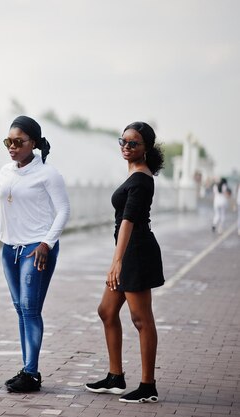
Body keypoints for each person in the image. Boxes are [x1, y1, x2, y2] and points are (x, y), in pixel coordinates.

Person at [0, 116, 70, 393]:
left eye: (19, 142)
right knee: (20, 309)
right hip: (10, 249)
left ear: (34, 144)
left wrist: (46, 243)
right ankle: (27, 369)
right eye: (9, 141)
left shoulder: (48, 174)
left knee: (30, 309)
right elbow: (0, 208)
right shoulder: (6, 171)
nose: (12, 146)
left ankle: (31, 373)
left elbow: (64, 211)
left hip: (36, 249)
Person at [84, 121, 165, 403]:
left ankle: (148, 385)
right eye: (123, 141)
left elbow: (129, 220)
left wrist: (116, 261)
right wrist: (118, 258)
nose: (126, 147)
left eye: (133, 143)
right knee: (107, 311)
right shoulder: (134, 175)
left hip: (137, 253)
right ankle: (115, 377)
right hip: (128, 252)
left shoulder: (142, 179)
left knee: (141, 320)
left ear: (145, 149)